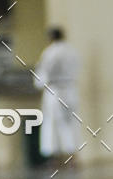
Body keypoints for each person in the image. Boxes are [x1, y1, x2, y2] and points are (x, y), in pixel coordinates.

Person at [34, 27, 81, 162]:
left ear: (50, 37)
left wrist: (39, 83)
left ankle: (54, 158)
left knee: (53, 123)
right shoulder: (72, 51)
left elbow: (43, 73)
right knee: (71, 122)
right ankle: (72, 156)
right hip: (71, 89)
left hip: (55, 91)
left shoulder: (50, 52)